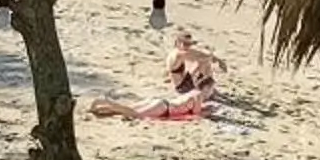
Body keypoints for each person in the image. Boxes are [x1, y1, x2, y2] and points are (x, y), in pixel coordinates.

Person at [92, 28, 230, 121]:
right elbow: (196, 114)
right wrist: (217, 60)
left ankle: (103, 107)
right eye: (185, 44)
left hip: (165, 102)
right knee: (133, 112)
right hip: (167, 104)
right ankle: (105, 103)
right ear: (178, 43)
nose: (188, 46)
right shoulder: (180, 54)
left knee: (130, 110)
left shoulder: (176, 54)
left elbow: (199, 58)